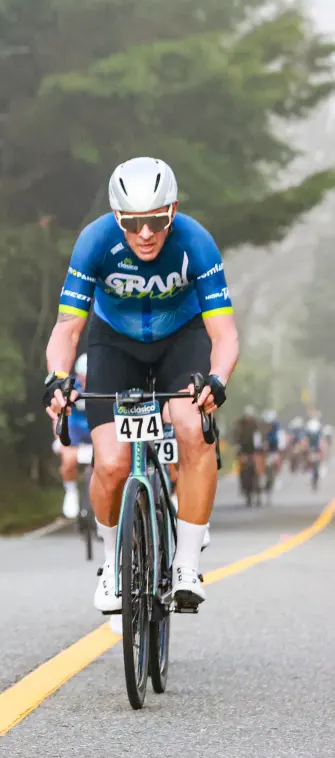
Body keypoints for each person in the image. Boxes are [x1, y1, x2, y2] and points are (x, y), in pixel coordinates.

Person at [44, 157, 238, 612]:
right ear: (117, 217)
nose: (145, 233)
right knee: (111, 464)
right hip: (114, 343)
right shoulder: (94, 242)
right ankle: (112, 564)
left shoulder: (196, 243)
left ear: (173, 211)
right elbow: (68, 328)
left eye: (156, 220)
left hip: (182, 339)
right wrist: (57, 378)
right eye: (132, 223)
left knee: (193, 429)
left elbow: (224, 332)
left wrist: (217, 380)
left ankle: (187, 564)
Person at [56, 354, 92, 519]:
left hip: (96, 429)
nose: (85, 382)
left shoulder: (104, 385)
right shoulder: (69, 386)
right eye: (83, 378)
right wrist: (58, 437)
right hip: (75, 430)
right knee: (68, 461)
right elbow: (58, 414)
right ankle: (70, 490)